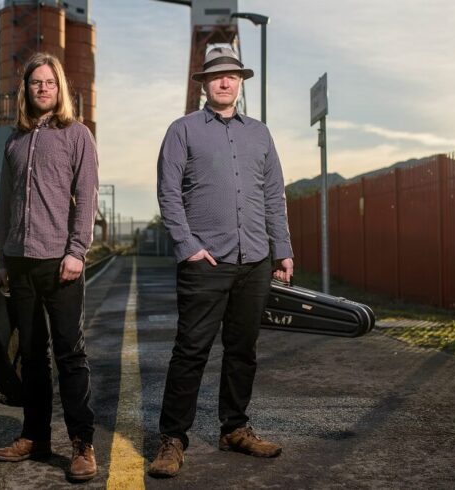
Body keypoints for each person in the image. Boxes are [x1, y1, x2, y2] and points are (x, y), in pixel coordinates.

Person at [149, 46, 294, 478]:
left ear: (241, 82)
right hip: (205, 262)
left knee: (243, 350)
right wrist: (187, 245)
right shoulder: (182, 130)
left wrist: (281, 249)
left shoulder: (260, 134)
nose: (225, 82)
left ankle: (234, 428)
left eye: (232, 76)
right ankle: (173, 438)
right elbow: (168, 193)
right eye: (217, 77)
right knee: (190, 352)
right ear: (204, 85)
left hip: (254, 260)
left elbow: (273, 197)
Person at [0, 52, 99, 482]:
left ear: (60, 88)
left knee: (70, 354)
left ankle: (82, 444)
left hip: (61, 264)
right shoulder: (14, 142)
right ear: (26, 89)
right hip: (20, 263)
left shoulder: (77, 136)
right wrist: (2, 256)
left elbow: (87, 197)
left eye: (49, 82)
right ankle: (34, 436)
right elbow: (5, 204)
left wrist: (77, 251)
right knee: (33, 357)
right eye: (35, 82)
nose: (42, 88)